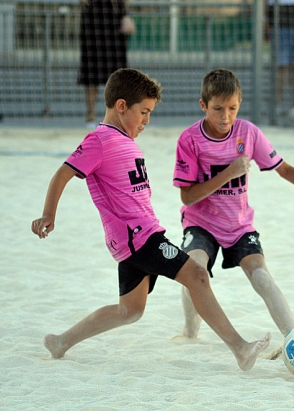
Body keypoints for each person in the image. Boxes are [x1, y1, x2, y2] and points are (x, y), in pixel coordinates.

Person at [31, 68, 270, 370]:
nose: (146, 121)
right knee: (197, 275)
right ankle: (240, 348)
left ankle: (60, 342)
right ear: (121, 106)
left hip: (136, 238)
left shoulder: (123, 139)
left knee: (129, 311)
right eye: (143, 112)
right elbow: (63, 173)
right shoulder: (100, 140)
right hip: (139, 238)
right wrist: (48, 214)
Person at [172, 68, 294, 341]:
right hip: (201, 223)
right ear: (203, 105)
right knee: (194, 269)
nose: (225, 117)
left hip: (239, 224)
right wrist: (229, 173)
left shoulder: (248, 132)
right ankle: (190, 332)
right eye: (217, 109)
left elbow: (283, 168)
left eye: (232, 108)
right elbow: (187, 197)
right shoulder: (189, 139)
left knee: (262, 277)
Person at [79, 0, 135, 128]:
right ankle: (90, 115)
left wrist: (127, 15)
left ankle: (117, 117)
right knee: (91, 69)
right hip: (93, 18)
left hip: (115, 17)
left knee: (118, 73)